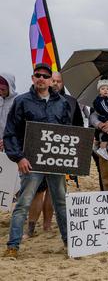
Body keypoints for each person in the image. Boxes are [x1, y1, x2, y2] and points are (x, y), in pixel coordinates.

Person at [3, 63, 71, 257]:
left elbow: (69, 133)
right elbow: (11, 133)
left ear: (51, 80)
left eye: (45, 76)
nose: (41, 78)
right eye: (37, 75)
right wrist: (19, 157)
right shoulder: (22, 101)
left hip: (56, 162)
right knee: (23, 203)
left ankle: (69, 244)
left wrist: (69, 160)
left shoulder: (62, 103)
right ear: (33, 79)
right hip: (31, 162)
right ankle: (13, 246)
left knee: (61, 203)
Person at [93, 78, 108, 160]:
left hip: (104, 117)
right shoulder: (100, 100)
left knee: (102, 133)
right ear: (99, 91)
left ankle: (97, 144)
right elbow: (105, 109)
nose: (105, 90)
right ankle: (102, 148)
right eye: (103, 89)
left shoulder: (107, 99)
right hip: (103, 118)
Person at [0, 72, 18, 152]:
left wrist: (8, 140)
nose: (0, 92)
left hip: (11, 146)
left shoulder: (18, 101)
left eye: (3, 89)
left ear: (10, 87)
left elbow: (21, 126)